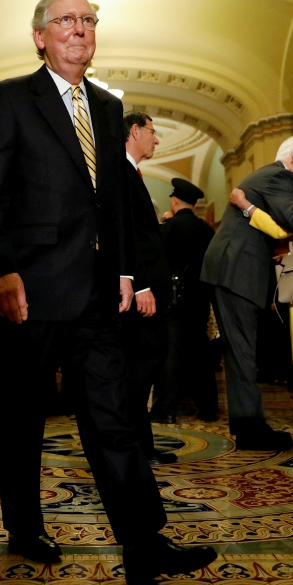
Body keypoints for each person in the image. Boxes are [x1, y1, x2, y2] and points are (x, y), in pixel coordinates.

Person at [0, 0, 216, 583]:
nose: (79, 29)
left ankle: (143, 545)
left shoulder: (107, 108)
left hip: (98, 295)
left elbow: (116, 202)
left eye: (88, 19)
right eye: (65, 21)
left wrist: (126, 271)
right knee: (24, 416)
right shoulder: (9, 99)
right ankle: (24, 527)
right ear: (39, 36)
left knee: (114, 416)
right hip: (29, 290)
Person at [201, 135, 293, 450]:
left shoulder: (267, 176)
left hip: (233, 269)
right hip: (237, 270)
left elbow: (281, 225)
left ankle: (248, 426)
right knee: (242, 352)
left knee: (240, 352)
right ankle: (252, 430)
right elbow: (292, 220)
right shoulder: (279, 176)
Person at [119, 111, 175, 464]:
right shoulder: (120, 173)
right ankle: (133, 449)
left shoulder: (132, 174)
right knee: (138, 371)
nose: (156, 140)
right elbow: (127, 236)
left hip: (146, 290)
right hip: (140, 294)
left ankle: (142, 446)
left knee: (143, 370)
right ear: (135, 131)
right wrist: (140, 286)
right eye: (153, 132)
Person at [155, 177, 217, 422]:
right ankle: (208, 408)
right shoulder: (207, 230)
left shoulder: (168, 228)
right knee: (201, 353)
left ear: (174, 200)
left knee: (171, 353)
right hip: (200, 298)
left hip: (173, 298)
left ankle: (167, 410)